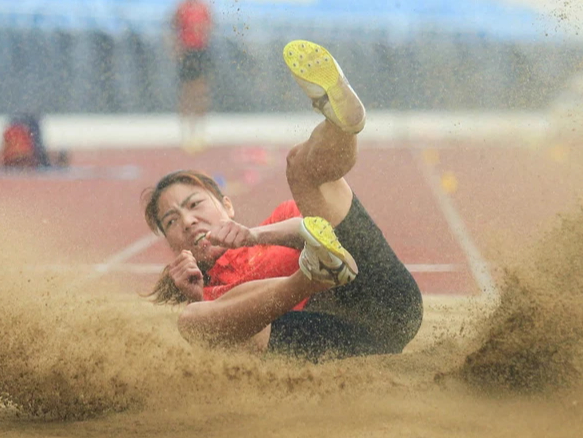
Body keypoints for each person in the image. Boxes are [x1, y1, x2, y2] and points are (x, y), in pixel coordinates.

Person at [143, 40, 423, 362]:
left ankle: (342, 124)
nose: (188, 221)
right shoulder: (211, 300)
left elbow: (309, 227)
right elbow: (215, 334)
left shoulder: (277, 223)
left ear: (227, 205)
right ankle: (310, 276)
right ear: (172, 245)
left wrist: (254, 236)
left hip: (384, 295)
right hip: (337, 339)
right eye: (172, 222)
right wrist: (195, 298)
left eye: (194, 205)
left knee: (299, 167)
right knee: (193, 321)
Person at [170, 0, 213, 150]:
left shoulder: (203, 8)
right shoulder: (182, 8)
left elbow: (208, 29)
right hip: (187, 52)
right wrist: (177, 48)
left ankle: (200, 132)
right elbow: (174, 27)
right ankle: (186, 132)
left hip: (199, 51)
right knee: (186, 92)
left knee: (200, 92)